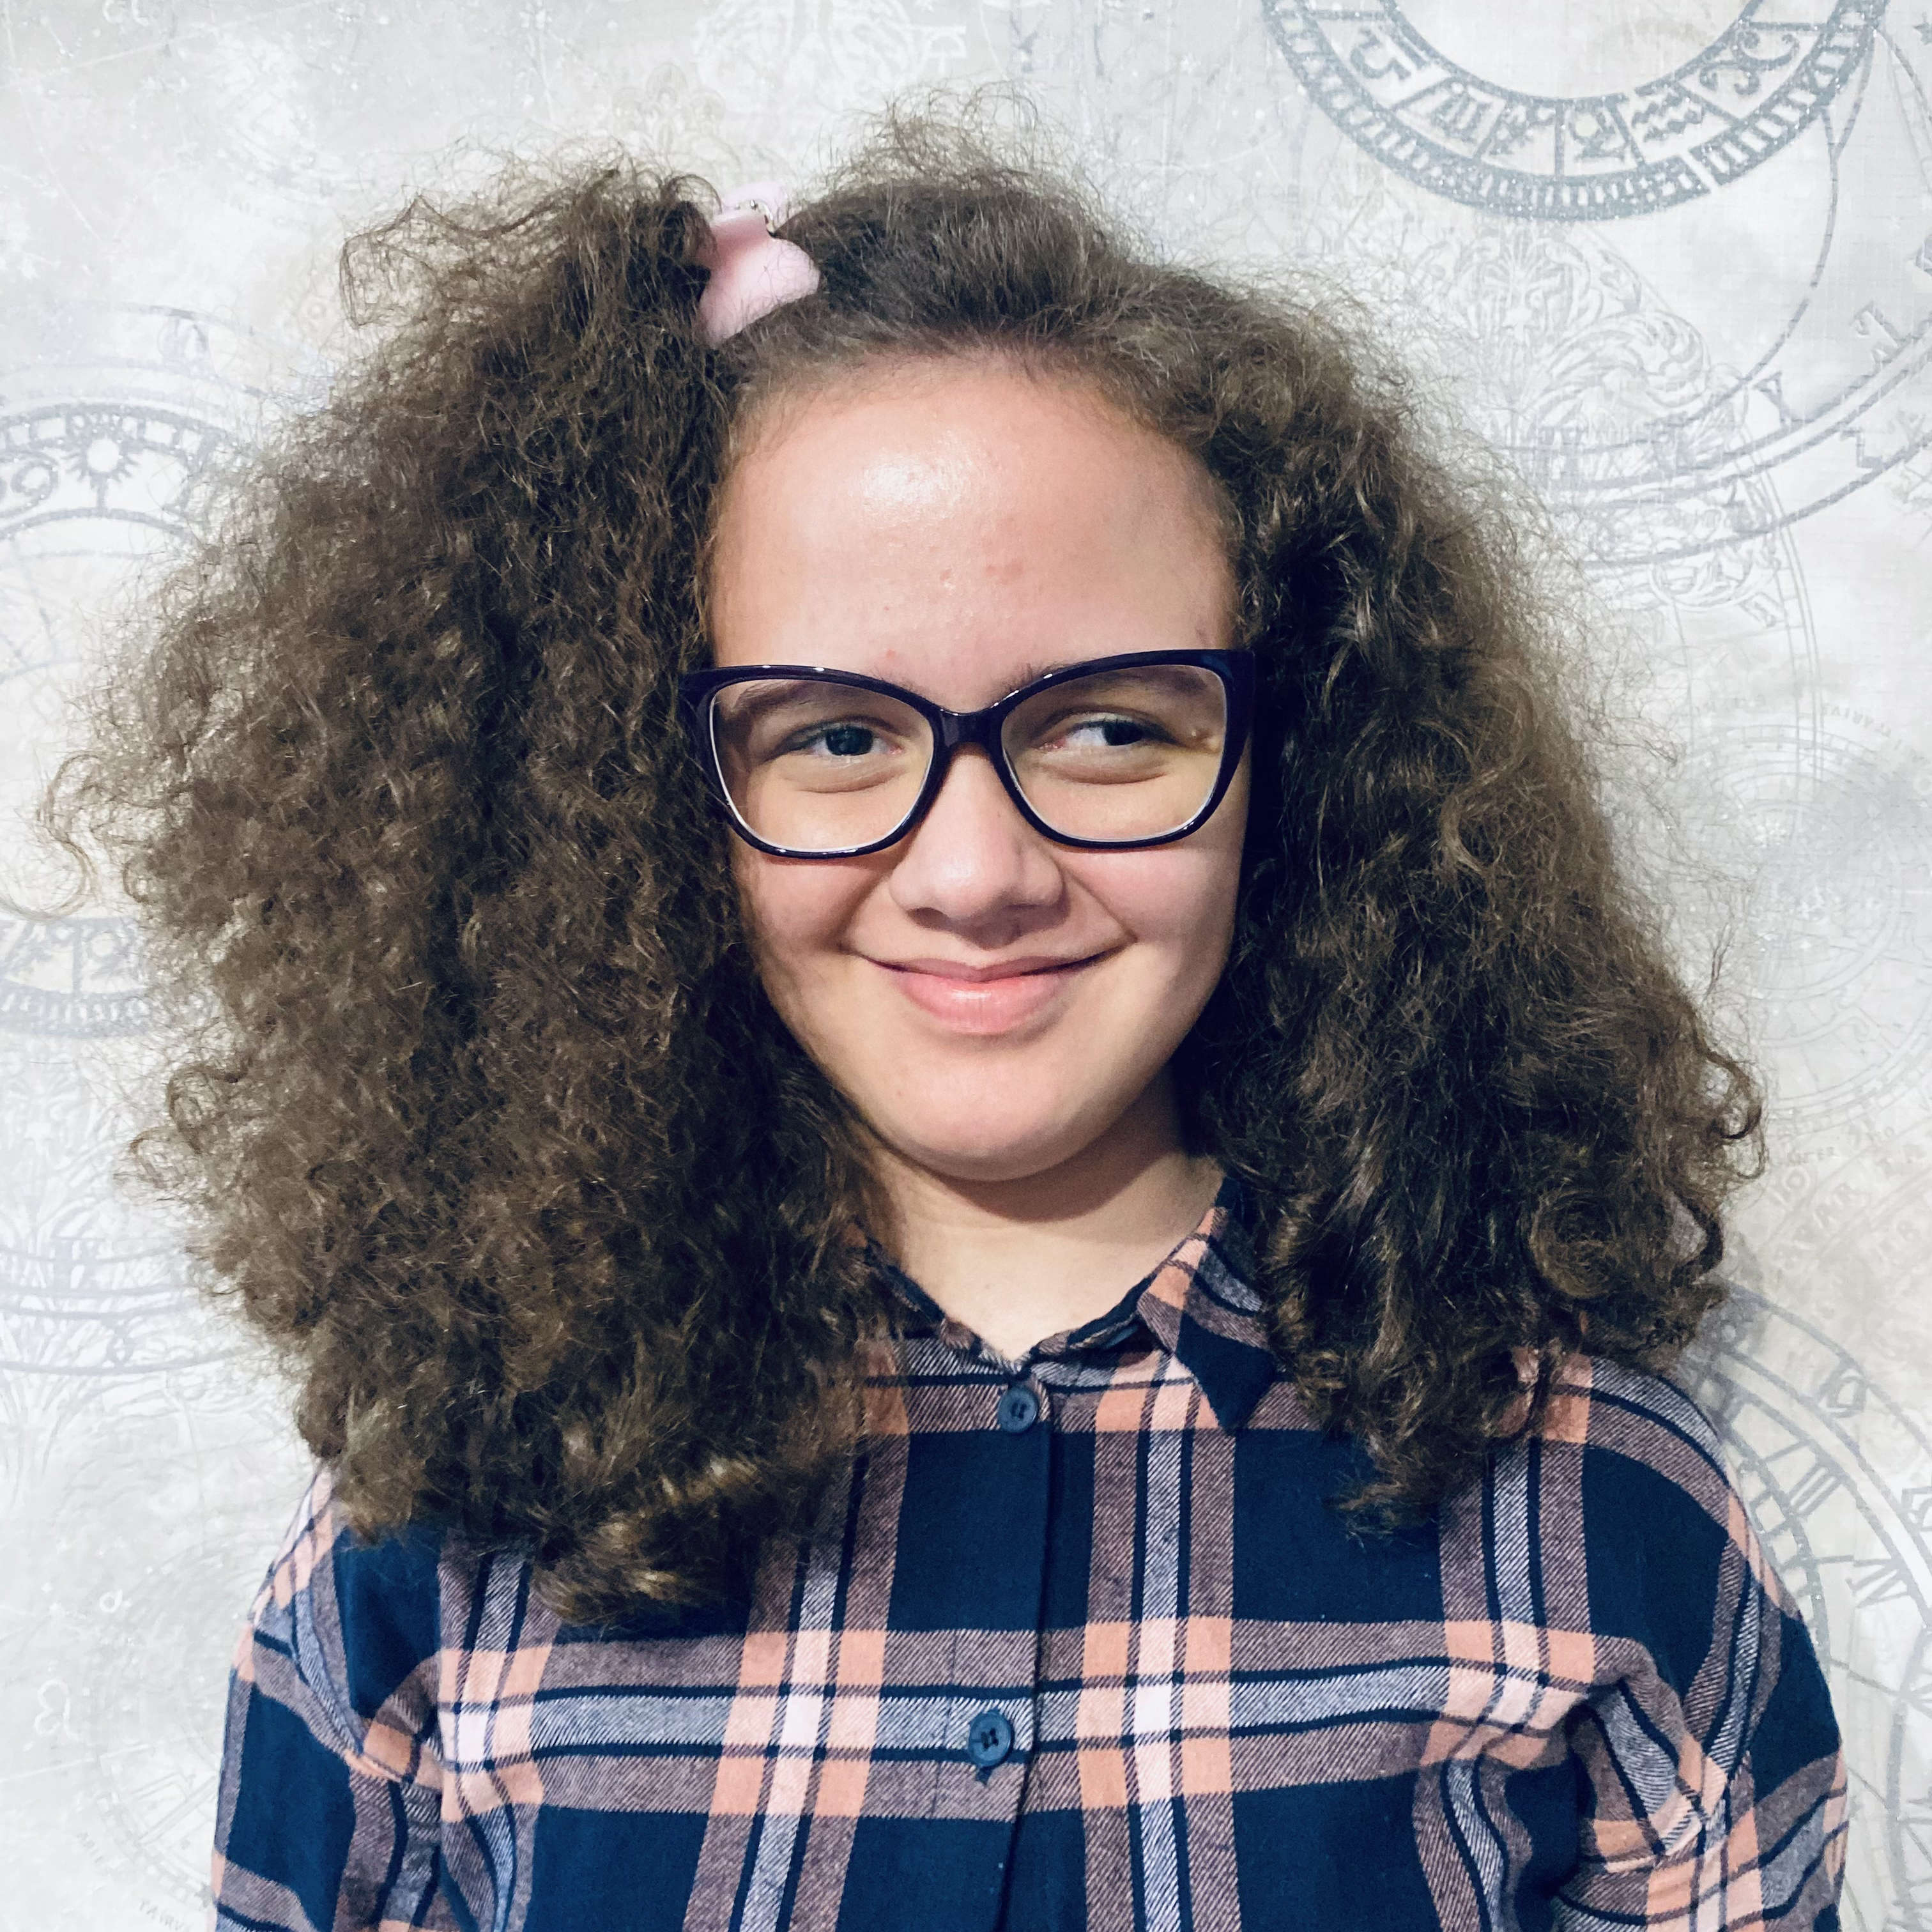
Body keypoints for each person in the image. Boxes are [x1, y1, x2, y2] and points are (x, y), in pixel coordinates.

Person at [37, 112, 1846, 1931]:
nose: (976, 873)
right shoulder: (442, 1531)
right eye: (833, 737)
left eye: (1113, 727)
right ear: (628, 803)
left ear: (1296, 757)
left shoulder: (1595, 1510)